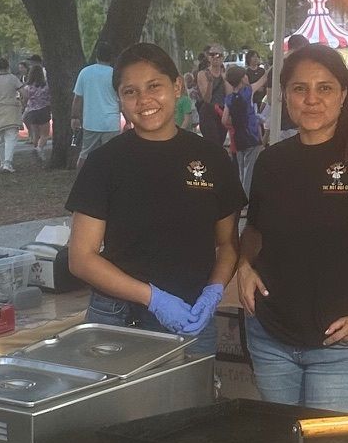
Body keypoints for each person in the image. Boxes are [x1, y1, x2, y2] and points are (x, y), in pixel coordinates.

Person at [238, 43, 348, 410]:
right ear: (284, 95)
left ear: (344, 93)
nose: (312, 99)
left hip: (342, 344)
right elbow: (255, 232)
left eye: (325, 88)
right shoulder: (272, 162)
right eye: (300, 88)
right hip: (270, 338)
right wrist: (243, 267)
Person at [67, 43, 244, 353]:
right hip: (120, 317)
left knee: (190, 402)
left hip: (191, 316)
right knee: (121, 403)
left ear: (176, 87)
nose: (144, 100)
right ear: (119, 100)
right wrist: (153, 298)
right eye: (130, 92)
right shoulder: (105, 162)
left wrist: (214, 290)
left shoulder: (211, 158)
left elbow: (228, 244)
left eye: (154, 86)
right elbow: (81, 258)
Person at [72, 40, 120, 167]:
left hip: (91, 121)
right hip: (111, 122)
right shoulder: (115, 75)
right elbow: (121, 100)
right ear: (112, 57)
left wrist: (75, 117)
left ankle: (82, 182)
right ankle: (109, 183)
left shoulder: (85, 72)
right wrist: (128, 120)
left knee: (85, 154)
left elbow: (77, 98)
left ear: (97, 56)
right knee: (112, 155)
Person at [224, 63, 263, 192]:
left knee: (241, 171)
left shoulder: (229, 99)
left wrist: (234, 123)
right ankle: (246, 200)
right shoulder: (247, 92)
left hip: (238, 137)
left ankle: (240, 196)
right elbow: (263, 80)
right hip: (252, 136)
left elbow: (224, 120)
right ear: (242, 78)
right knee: (250, 171)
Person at [194, 45, 229, 147]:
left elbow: (229, 96)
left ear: (222, 58)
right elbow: (207, 99)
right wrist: (210, 83)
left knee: (221, 142)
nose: (215, 57)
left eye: (218, 55)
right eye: (212, 55)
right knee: (213, 143)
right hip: (209, 111)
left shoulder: (225, 75)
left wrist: (225, 79)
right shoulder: (203, 74)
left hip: (222, 111)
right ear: (208, 57)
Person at [20, 61, 52, 165]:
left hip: (32, 112)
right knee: (45, 135)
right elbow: (50, 98)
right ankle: (39, 149)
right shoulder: (45, 86)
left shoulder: (27, 87)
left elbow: (25, 99)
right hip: (43, 110)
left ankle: (37, 151)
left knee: (35, 135)